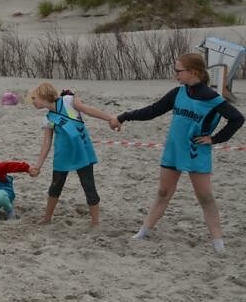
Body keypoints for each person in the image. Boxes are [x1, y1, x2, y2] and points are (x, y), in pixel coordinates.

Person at [116, 53, 244, 254]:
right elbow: (152, 111)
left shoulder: (213, 99)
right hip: (173, 150)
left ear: (193, 72)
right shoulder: (178, 93)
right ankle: (143, 232)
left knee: (205, 197)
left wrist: (215, 139)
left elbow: (237, 119)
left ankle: (218, 243)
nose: (175, 75)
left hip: (195, 152)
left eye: (178, 71)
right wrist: (124, 117)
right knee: (163, 193)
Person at [29, 82, 120, 227]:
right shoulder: (48, 119)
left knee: (89, 186)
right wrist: (38, 166)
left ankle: (95, 222)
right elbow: (46, 144)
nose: (32, 101)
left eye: (34, 98)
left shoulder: (68, 100)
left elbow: (88, 110)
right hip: (62, 156)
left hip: (81, 151)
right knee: (55, 187)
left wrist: (110, 118)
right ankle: (47, 217)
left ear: (43, 95)